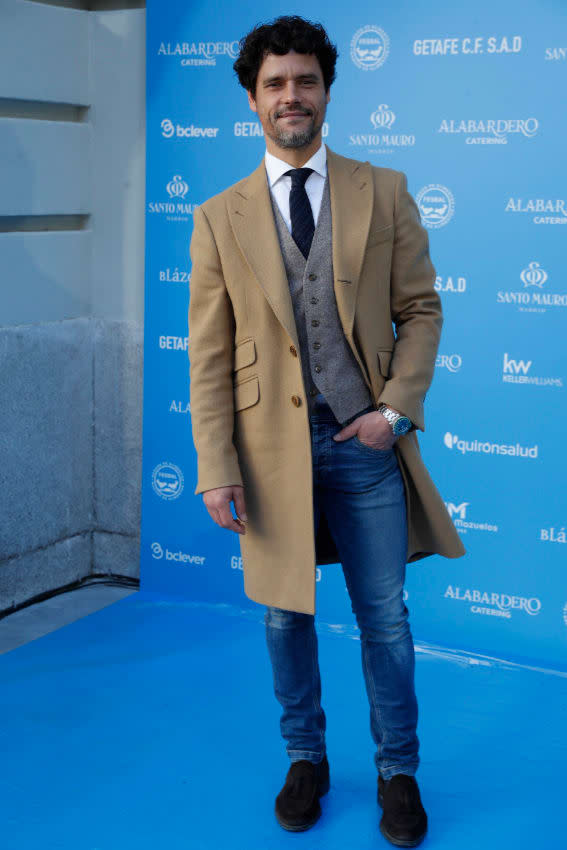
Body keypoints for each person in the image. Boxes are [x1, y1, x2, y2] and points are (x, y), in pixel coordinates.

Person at [188, 15, 465, 848]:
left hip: (363, 450)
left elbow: (419, 310)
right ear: (251, 100)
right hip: (269, 458)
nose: (290, 96)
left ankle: (397, 772)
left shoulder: (381, 190)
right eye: (274, 84)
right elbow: (206, 355)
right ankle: (305, 757)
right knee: (284, 618)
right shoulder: (217, 217)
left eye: (304, 80)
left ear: (326, 91)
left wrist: (393, 413)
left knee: (384, 620)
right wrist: (215, 465)